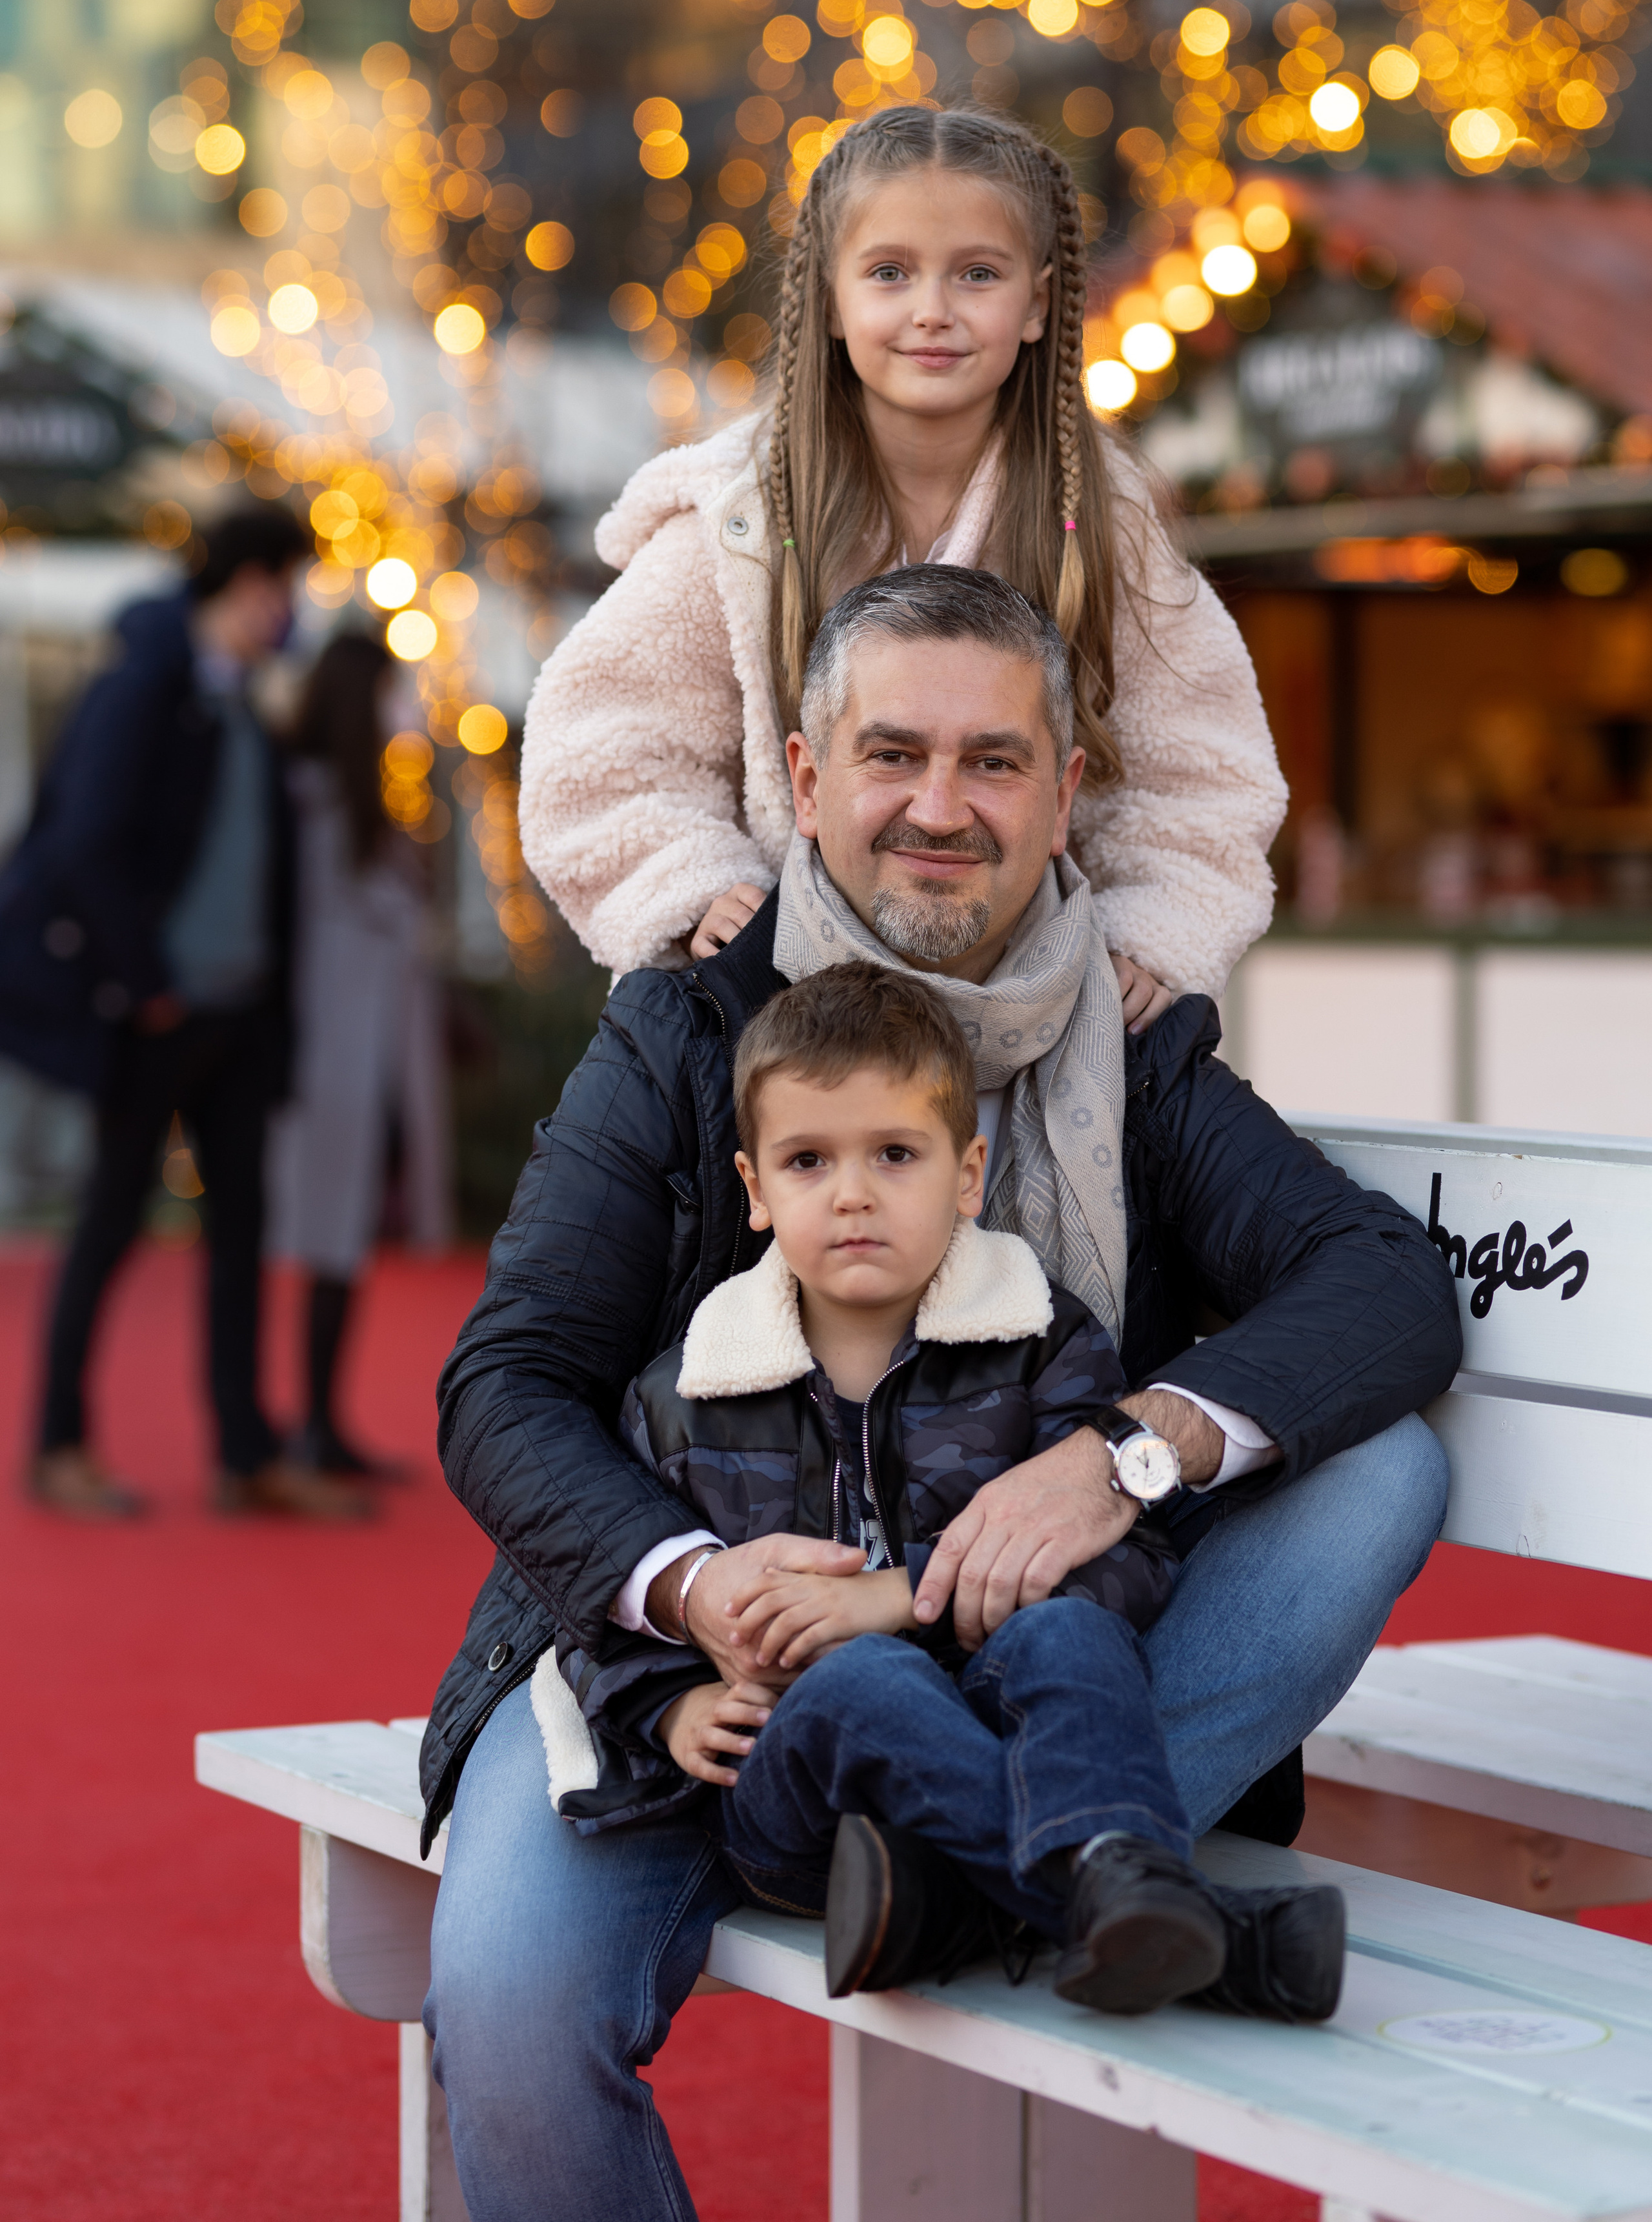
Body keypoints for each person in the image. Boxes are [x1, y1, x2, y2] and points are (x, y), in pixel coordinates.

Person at [420, 567, 1461, 2222]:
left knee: (1380, 1468)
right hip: (695, 1693)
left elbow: (1386, 1287)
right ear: (808, 777)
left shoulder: (1129, 1049)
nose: (939, 806)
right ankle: (1080, 1881)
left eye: (992, 762)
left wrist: (1121, 1457)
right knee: (505, 2009)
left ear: (1065, 797)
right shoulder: (686, 1034)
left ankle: (949, 1869)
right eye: (891, 753)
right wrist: (692, 1591)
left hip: (1031, 1658)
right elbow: (506, 1385)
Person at [550, 960, 1345, 2025]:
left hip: (994, 1727)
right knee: (868, 1680)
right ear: (753, 1189)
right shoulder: (689, 1388)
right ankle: (1197, 1928)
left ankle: (1045, 1903)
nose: (852, 1193)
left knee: (1071, 1639)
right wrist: (669, 1706)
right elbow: (594, 1610)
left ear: (967, 1176)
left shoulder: (1039, 1343)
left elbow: (1133, 1562)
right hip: (798, 1806)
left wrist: (903, 1592)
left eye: (895, 1154)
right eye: (807, 1160)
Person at [519, 103, 1287, 1025]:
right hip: (773, 1030)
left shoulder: (1102, 527)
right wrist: (690, 889)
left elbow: (1203, 772)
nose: (933, 311)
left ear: (1039, 303)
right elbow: (600, 743)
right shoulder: (738, 522)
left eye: (977, 274)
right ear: (832, 301)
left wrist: (1150, 937)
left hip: (1037, 1018)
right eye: (890, 273)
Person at [0, 504, 364, 1521]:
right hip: (154, 1013)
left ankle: (246, 1456)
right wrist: (148, 983)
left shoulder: (246, 701)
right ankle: (59, 1443)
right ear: (239, 583)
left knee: (241, 1236)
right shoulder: (142, 685)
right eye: (278, 584)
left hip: (239, 1017)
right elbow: (83, 843)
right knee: (109, 1223)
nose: (285, 607)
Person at [268, 630, 452, 1478]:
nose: (401, 714)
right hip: (320, 1060)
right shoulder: (311, 805)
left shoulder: (345, 808)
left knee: (339, 1241)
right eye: (390, 693)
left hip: (356, 1055)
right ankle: (305, 1427)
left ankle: (318, 1422)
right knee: (326, 1238)